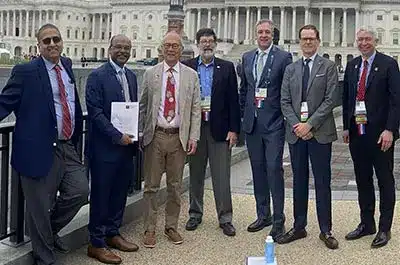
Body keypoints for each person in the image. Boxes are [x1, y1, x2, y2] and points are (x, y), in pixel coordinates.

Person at [0, 23, 89, 265]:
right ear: (38, 46)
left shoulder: (67, 65)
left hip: (66, 145)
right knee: (39, 207)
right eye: (46, 41)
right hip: (37, 147)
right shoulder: (25, 71)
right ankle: (45, 258)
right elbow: (4, 102)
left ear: (62, 42)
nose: (52, 44)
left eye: (55, 39)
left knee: (80, 191)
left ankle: (45, 233)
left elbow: (69, 103)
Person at [278, 24, 339, 249]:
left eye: (311, 38)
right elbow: (284, 100)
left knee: (323, 182)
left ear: (318, 40)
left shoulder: (329, 66)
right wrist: (297, 125)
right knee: (299, 181)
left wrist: (309, 124)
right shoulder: (291, 69)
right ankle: (299, 226)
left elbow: (331, 99)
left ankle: (326, 229)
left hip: (319, 133)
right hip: (296, 134)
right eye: (304, 39)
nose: (307, 42)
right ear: (299, 41)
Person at [139, 31, 201, 248]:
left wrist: (194, 136)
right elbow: (143, 105)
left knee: (175, 186)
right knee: (151, 186)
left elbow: (195, 109)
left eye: (175, 45)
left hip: (178, 138)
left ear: (181, 50)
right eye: (167, 45)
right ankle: (149, 228)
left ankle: (171, 226)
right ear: (162, 48)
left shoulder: (191, 75)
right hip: (155, 135)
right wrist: (140, 133)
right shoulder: (150, 73)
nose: (171, 49)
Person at [342, 28, 400, 248]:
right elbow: (347, 97)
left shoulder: (388, 64)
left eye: (367, 39)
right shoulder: (353, 64)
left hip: (380, 134)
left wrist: (390, 130)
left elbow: (396, 101)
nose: (363, 43)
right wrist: (347, 128)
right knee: (362, 180)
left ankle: (385, 228)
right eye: (360, 39)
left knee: (385, 181)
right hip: (358, 132)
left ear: (376, 41)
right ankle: (367, 223)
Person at [85, 34, 139, 264]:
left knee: (119, 193)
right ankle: (96, 243)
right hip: (105, 148)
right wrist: (117, 136)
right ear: (110, 49)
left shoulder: (131, 76)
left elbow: (132, 108)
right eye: (119, 47)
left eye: (127, 48)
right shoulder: (96, 76)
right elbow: (95, 113)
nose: (123, 51)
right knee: (101, 196)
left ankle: (113, 233)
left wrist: (134, 133)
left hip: (127, 147)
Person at [182, 28, 240, 237]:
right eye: (203, 41)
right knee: (195, 175)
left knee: (221, 176)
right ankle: (195, 214)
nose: (207, 44)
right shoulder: (187, 67)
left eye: (210, 41)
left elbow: (234, 100)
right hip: (195, 130)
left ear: (215, 43)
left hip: (220, 129)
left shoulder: (226, 67)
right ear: (198, 44)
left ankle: (225, 218)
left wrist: (234, 129)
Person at [239, 19, 292, 240]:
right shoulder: (247, 57)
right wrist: (244, 114)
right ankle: (263, 214)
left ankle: (279, 219)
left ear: (273, 34)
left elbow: (287, 89)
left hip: (274, 124)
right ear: (255, 34)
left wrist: (284, 119)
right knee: (257, 171)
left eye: (267, 32)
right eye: (260, 32)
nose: (263, 35)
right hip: (252, 124)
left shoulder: (283, 57)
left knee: (274, 170)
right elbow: (244, 89)